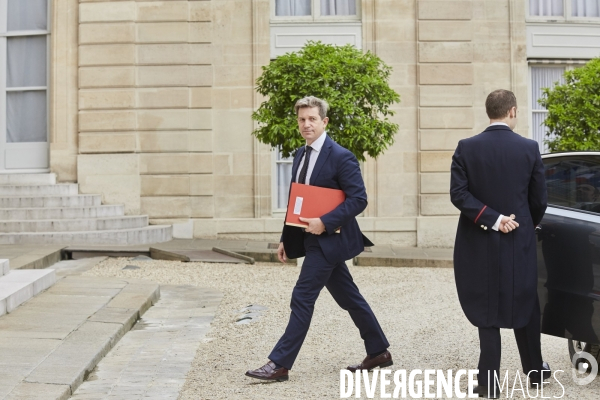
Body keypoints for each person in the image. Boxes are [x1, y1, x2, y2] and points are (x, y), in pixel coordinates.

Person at [245, 96, 391, 382]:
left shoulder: (341, 156)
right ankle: (379, 351)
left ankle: (280, 364)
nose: (306, 124)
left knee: (302, 297)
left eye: (312, 119)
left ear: (324, 121)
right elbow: (296, 201)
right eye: (301, 119)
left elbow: (359, 199)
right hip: (309, 239)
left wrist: (325, 222)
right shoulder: (300, 155)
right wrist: (285, 238)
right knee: (350, 298)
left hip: (330, 240)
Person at [450, 90, 549, 398]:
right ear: (513, 112)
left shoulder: (466, 148)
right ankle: (534, 372)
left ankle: (489, 382)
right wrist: (519, 224)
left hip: (477, 239)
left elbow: (459, 195)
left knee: (486, 303)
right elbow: (539, 200)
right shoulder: (529, 148)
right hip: (518, 238)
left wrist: (492, 218)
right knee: (525, 299)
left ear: (489, 112)